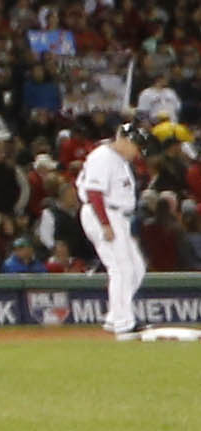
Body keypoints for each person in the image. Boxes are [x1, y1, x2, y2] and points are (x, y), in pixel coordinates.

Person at [75, 105, 147, 341]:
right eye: (136, 146)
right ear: (124, 140)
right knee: (121, 268)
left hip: (118, 216)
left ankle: (115, 316)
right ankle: (124, 325)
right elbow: (95, 192)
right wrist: (105, 224)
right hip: (102, 212)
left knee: (136, 267)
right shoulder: (102, 156)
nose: (137, 152)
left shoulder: (119, 159)